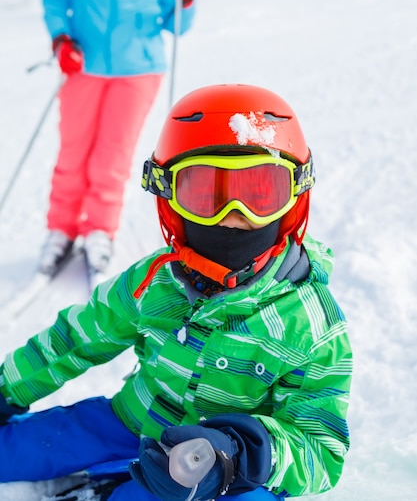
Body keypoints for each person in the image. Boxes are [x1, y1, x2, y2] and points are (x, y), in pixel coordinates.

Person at [0, 84, 352, 501]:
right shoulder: (155, 281)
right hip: (129, 421)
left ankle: (117, 488)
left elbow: (319, 448)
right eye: (206, 194)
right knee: (10, 453)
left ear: (293, 198)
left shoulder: (310, 325)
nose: (232, 218)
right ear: (170, 198)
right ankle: (115, 477)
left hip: (214, 473)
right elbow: (76, 340)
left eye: (260, 194)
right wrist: (7, 387)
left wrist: (240, 456)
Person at [38, 0, 196, 279]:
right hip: (83, 64)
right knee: (73, 152)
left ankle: (99, 232)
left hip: (138, 70)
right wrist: (60, 38)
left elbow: (175, 23)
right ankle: (61, 229)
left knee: (113, 156)